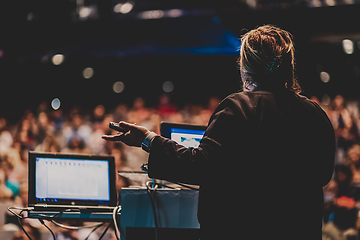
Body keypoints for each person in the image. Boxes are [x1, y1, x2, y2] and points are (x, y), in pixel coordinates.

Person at [103, 25, 335, 240]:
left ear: (246, 66)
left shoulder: (238, 107)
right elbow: (323, 175)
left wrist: (148, 140)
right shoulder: (314, 113)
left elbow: (201, 166)